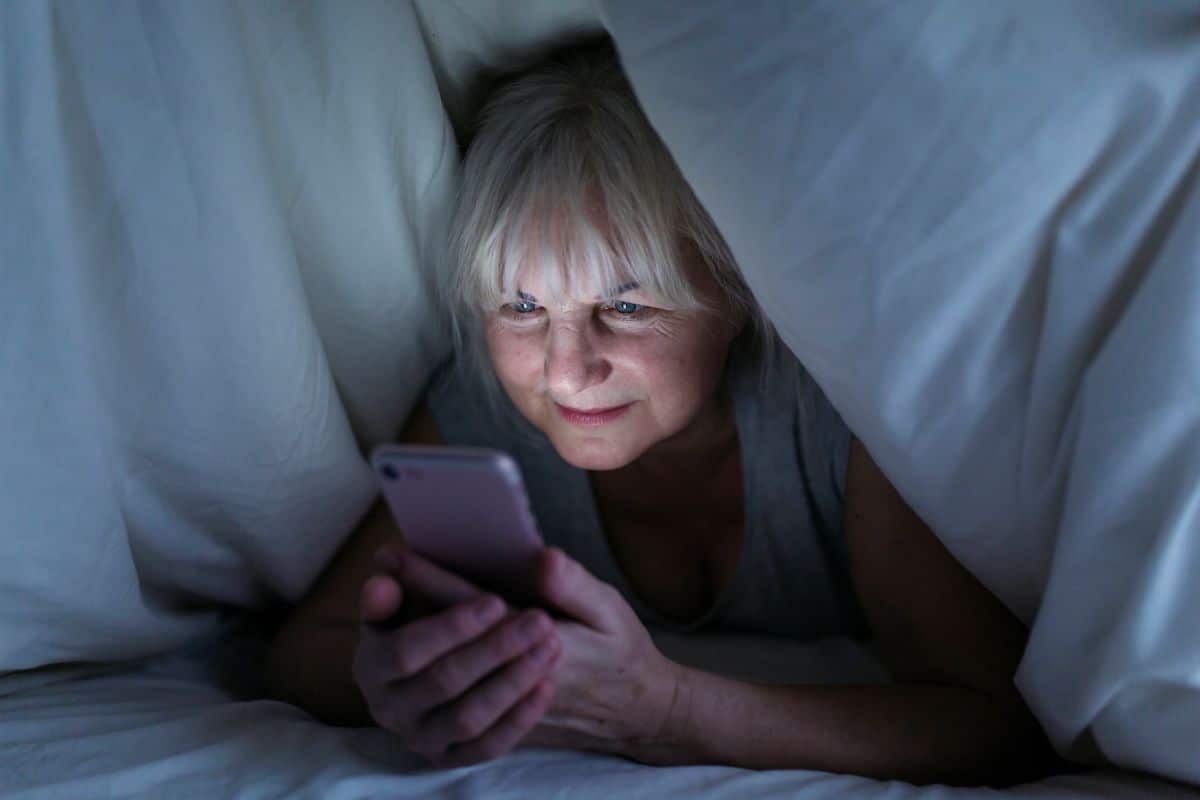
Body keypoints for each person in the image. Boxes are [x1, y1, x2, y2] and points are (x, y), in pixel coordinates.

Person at [265, 40, 1062, 786]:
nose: (565, 369)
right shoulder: (489, 411)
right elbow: (304, 655)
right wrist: (394, 677)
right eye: (520, 306)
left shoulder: (836, 423)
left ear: (735, 295)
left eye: (625, 305)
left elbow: (993, 723)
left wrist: (666, 712)